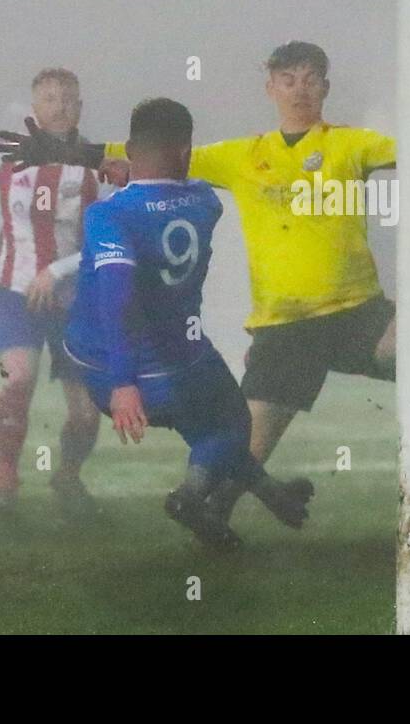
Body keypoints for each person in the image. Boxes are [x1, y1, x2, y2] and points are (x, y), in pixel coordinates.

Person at [0, 42, 410, 523]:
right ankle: (211, 527)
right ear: (270, 86)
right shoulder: (243, 156)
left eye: (311, 80)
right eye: (288, 78)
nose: (300, 89)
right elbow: (137, 152)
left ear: (325, 88)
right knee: (232, 469)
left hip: (359, 317)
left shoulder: (351, 144)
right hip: (285, 329)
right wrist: (58, 148)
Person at [62, 97, 314, 549]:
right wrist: (129, 383)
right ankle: (191, 496)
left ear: (133, 150)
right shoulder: (204, 201)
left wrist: (120, 384)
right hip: (170, 363)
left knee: (207, 422)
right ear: (185, 150)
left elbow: (116, 295)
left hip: (96, 366)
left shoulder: (107, 214)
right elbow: (123, 294)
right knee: (230, 424)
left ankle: (275, 496)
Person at [0, 68, 104, 516]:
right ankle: (5, 485)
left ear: (80, 107)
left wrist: (58, 270)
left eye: (68, 98)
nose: (59, 105)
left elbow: (110, 243)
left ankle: (68, 478)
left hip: (77, 297)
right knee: (19, 379)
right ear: (34, 108)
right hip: (12, 289)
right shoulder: (3, 152)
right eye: (49, 98)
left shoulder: (99, 165)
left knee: (87, 413)